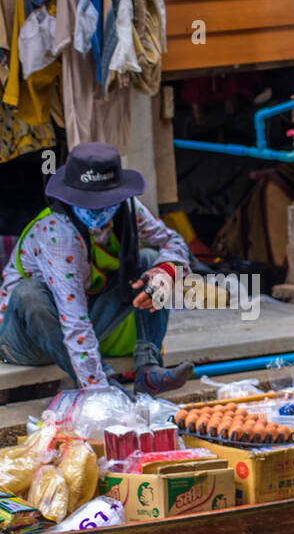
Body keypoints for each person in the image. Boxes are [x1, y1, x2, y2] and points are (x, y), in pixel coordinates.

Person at [0, 142, 195, 395]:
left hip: (85, 318)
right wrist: (101, 389)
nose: (96, 212)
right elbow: (74, 321)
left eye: (104, 202)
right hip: (25, 337)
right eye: (87, 202)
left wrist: (167, 271)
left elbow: (174, 241)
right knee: (30, 294)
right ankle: (108, 380)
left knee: (150, 260)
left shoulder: (129, 209)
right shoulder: (58, 234)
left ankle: (148, 366)